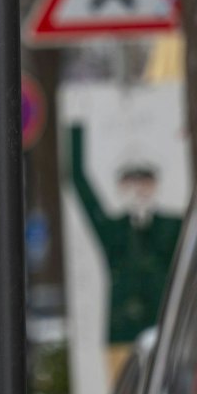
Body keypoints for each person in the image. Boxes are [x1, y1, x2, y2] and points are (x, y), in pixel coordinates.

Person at [70, 124, 183, 377]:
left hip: (163, 330)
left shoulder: (173, 225)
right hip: (121, 334)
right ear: (121, 187)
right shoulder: (114, 230)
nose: (138, 190)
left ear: (156, 185)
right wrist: (76, 124)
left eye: (145, 181)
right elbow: (78, 179)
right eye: (130, 182)